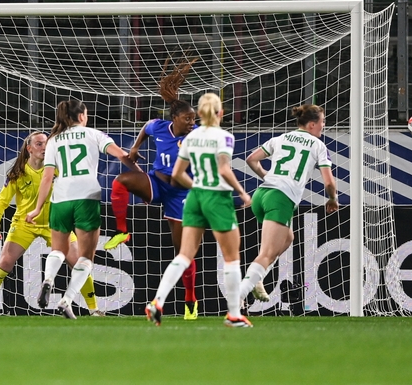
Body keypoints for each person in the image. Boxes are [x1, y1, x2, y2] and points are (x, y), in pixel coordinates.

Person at [145, 93, 253, 328]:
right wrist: (242, 192)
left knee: (184, 255)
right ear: (220, 113)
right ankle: (234, 314)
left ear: (200, 114)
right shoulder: (224, 136)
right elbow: (224, 169)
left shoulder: (191, 139)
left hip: (194, 197)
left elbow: (177, 174)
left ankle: (157, 301)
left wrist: (198, 188)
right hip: (218, 197)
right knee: (232, 257)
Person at [26, 100, 141, 319]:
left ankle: (49, 279)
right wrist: (141, 174)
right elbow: (122, 156)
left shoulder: (53, 140)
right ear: (81, 117)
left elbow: (47, 178)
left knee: (58, 251)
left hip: (61, 199)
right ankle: (66, 299)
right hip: (87, 198)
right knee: (86, 257)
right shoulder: (94, 134)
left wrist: (37, 208)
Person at [0, 131, 103, 317]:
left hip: (54, 223)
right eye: (39, 144)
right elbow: (1, 201)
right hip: (25, 223)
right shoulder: (18, 172)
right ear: (29, 148)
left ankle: (94, 310)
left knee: (78, 261)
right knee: (5, 261)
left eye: (46, 143)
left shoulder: (58, 168)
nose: (44, 147)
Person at [105, 96, 203, 319]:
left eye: (194, 119)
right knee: (120, 181)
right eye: (187, 119)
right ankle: (122, 231)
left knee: (184, 252)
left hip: (181, 196)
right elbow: (146, 127)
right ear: (174, 118)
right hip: (156, 184)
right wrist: (135, 148)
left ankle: (190, 300)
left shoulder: (197, 136)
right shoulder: (159, 126)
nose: (191, 123)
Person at [240, 104, 338, 305]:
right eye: (322, 122)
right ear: (312, 124)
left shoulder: (280, 138)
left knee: (288, 238)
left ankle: (257, 278)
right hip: (280, 198)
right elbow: (329, 182)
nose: (323, 126)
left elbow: (251, 159)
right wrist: (332, 198)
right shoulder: (318, 145)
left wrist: (266, 175)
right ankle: (237, 299)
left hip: (261, 195)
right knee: (265, 254)